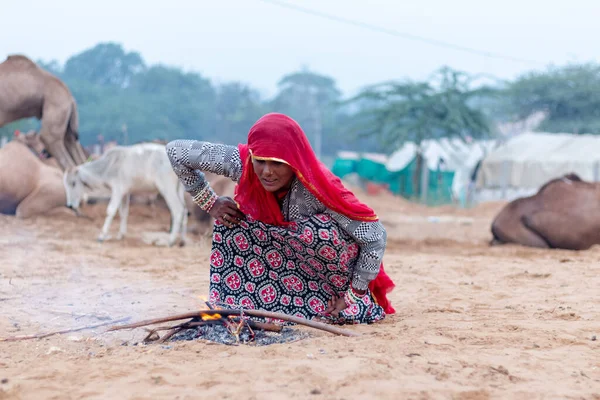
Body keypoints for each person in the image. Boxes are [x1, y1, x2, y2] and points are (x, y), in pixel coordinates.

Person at [166, 113, 395, 324]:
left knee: (319, 231)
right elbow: (176, 151)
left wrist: (353, 295)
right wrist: (209, 201)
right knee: (231, 222)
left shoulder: (318, 187)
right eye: (261, 161)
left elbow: (374, 236)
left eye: (277, 162)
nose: (267, 171)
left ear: (294, 160)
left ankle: (332, 302)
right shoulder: (242, 162)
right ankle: (249, 303)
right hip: (283, 261)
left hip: (329, 274)